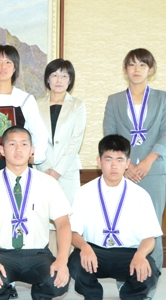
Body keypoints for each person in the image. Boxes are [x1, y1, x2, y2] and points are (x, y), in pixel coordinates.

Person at [0, 126, 72, 300]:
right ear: (2, 150)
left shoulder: (48, 183)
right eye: (12, 144)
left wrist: (62, 260)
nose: (18, 149)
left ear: (32, 150)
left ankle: (40, 295)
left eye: (24, 144)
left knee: (57, 282)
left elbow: (63, 223)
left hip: (38, 254)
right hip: (2, 253)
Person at [103, 48, 166, 298]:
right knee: (124, 223)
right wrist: (125, 165)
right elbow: (110, 135)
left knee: (152, 227)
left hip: (155, 170)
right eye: (131, 65)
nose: (136, 69)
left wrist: (149, 160)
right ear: (125, 69)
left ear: (150, 69)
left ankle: (150, 281)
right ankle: (125, 277)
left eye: (142, 65)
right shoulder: (114, 100)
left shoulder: (163, 98)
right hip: (122, 172)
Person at [68, 134, 162, 299]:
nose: (113, 165)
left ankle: (129, 296)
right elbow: (73, 232)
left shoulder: (140, 195)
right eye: (108, 159)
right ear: (99, 161)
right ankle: (93, 295)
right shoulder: (84, 193)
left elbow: (149, 238)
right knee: (75, 262)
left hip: (129, 253)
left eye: (119, 160)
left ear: (127, 163)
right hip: (95, 251)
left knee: (149, 271)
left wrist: (140, 255)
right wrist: (84, 247)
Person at [0, 45, 48, 199]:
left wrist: (33, 157)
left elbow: (40, 133)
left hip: (18, 162)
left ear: (15, 68)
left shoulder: (25, 99)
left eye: (8, 62)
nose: (3, 67)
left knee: (17, 210)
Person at [36, 59, 86, 256]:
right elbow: (33, 138)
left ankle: (65, 265)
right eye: (55, 75)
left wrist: (56, 171)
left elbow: (76, 141)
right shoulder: (36, 104)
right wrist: (45, 169)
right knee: (45, 220)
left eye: (64, 75)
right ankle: (48, 267)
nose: (59, 79)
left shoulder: (78, 106)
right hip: (42, 169)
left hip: (67, 172)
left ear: (70, 80)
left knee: (67, 220)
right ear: (48, 79)